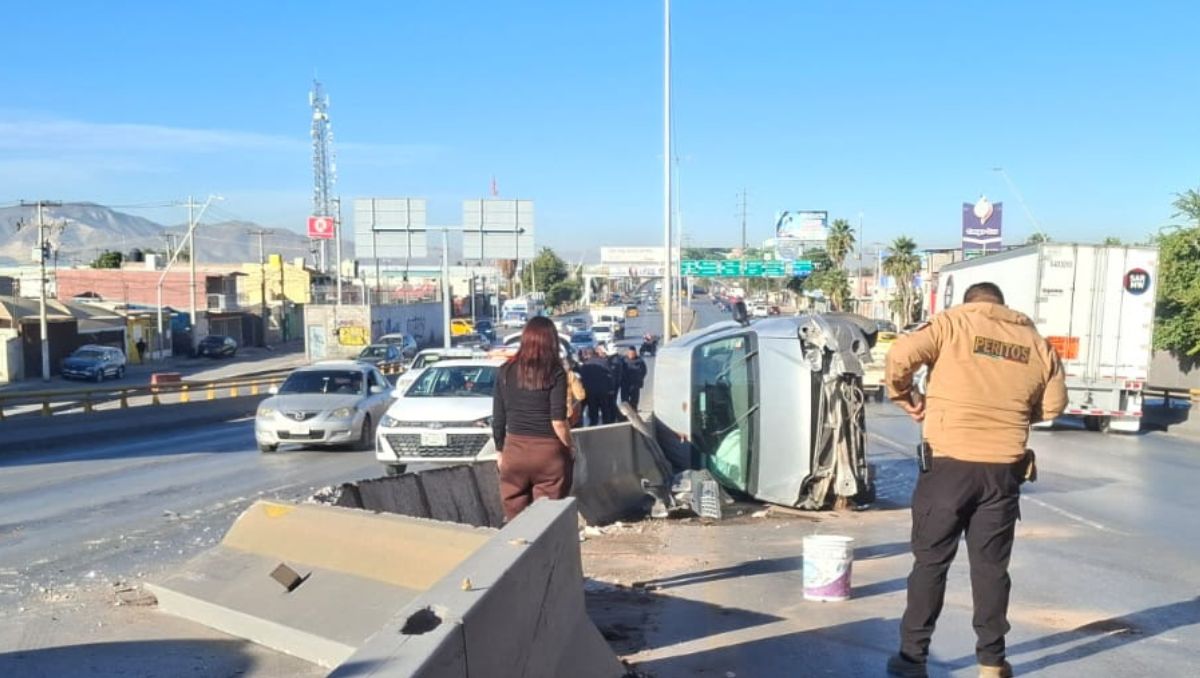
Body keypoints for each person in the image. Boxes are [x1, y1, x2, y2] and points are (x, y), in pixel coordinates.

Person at [884, 282, 1067, 678]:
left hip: (948, 467)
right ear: (1002, 305)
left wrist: (908, 399)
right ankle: (991, 663)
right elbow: (1054, 405)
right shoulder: (1035, 342)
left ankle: (912, 660)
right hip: (1003, 472)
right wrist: (1013, 414)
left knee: (931, 564)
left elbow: (900, 355)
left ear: (969, 302)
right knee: (990, 570)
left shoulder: (950, 325)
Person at [492, 316, 574, 521]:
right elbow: (558, 421)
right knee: (544, 522)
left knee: (516, 522)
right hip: (548, 455)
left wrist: (500, 451)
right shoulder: (555, 372)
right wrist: (569, 448)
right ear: (552, 341)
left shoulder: (505, 370)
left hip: (514, 453)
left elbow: (498, 418)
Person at [579, 347, 615, 426]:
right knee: (605, 411)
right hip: (603, 391)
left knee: (593, 412)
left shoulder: (585, 365)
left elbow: (582, 379)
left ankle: (594, 427)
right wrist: (611, 389)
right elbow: (610, 376)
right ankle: (608, 427)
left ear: (588, 355)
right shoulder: (604, 362)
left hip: (591, 393)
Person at [620, 346, 647, 410]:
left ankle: (634, 413)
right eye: (630, 353)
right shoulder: (623, 360)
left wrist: (639, 379)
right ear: (627, 353)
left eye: (633, 354)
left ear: (635, 353)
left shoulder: (640, 361)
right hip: (625, 384)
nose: (631, 355)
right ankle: (624, 416)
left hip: (635, 385)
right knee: (624, 401)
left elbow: (644, 371)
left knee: (634, 401)